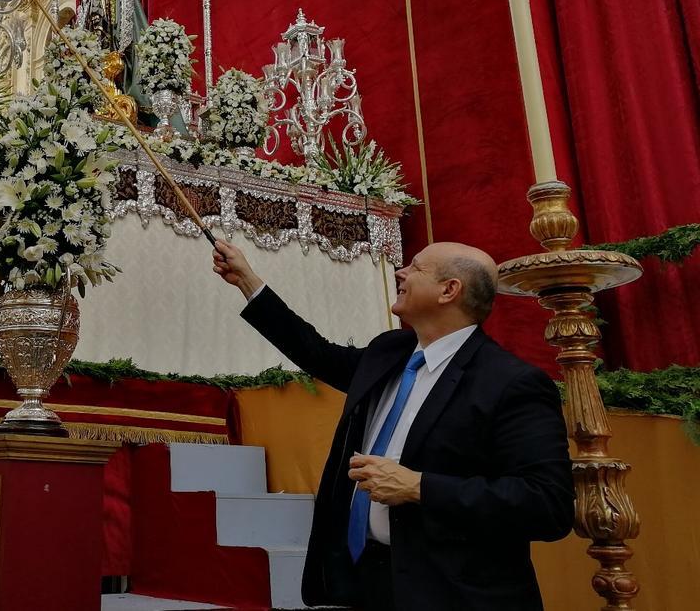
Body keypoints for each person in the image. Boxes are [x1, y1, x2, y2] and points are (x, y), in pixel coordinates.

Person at [212, 239, 574, 611]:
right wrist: (247, 281)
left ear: (449, 291)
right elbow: (317, 353)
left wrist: (420, 487)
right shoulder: (391, 351)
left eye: (415, 268)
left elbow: (547, 504)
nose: (400, 272)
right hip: (368, 581)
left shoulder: (510, 382)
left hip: (454, 592)